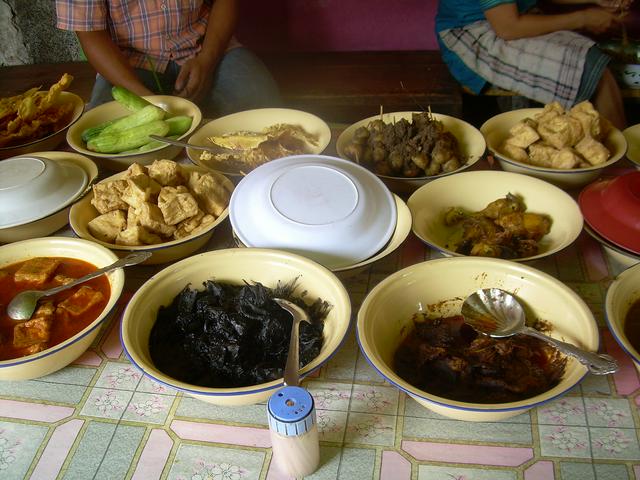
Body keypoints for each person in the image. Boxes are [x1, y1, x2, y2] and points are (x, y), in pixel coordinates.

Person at [55, 0, 282, 116]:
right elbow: (90, 34)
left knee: (267, 115)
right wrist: (145, 100)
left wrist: (206, 60)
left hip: (210, 47)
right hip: (127, 65)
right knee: (105, 142)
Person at [435, 0, 632, 129]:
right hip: (473, 32)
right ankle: (619, 171)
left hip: (511, 18)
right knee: (587, 69)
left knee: (594, 59)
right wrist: (583, 18)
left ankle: (621, 165)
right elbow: (508, 27)